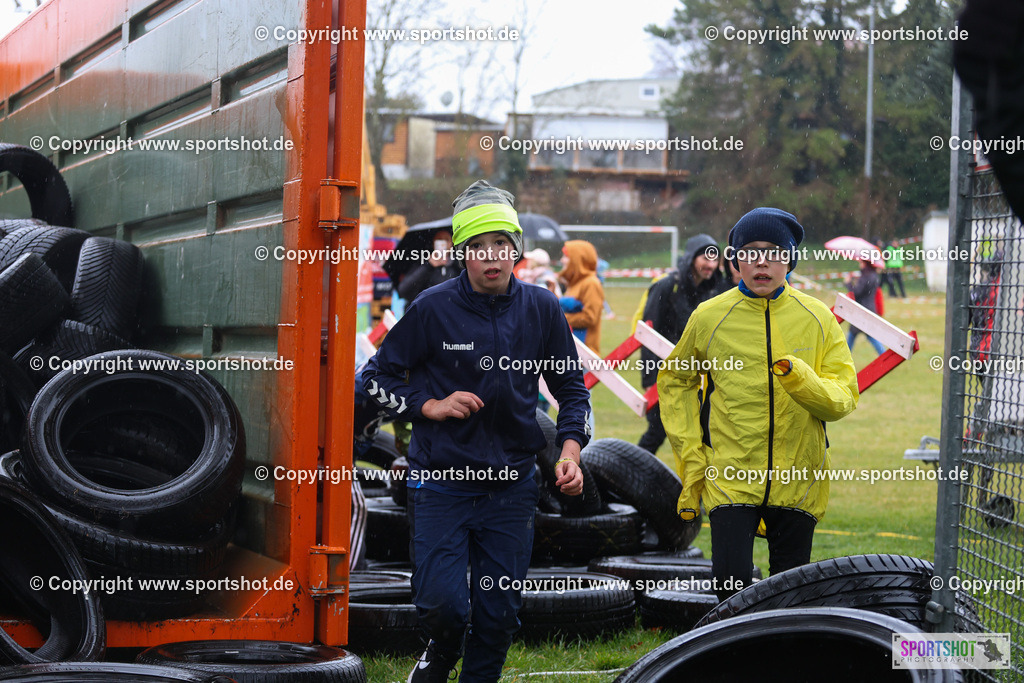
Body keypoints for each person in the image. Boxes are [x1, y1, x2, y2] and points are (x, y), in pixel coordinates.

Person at [362, 180, 591, 683]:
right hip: (440, 483)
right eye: (479, 246)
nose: (492, 256)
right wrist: (431, 405)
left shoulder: (542, 308)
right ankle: (439, 655)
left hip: (510, 488)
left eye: (502, 244)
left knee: (497, 617)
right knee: (445, 608)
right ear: (461, 254)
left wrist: (570, 452)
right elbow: (373, 379)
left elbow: (573, 392)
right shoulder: (431, 308)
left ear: (518, 249)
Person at [658, 207, 859, 602]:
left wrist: (799, 379)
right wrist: (693, 452)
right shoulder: (710, 316)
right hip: (731, 475)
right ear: (734, 260)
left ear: (790, 259)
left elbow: (843, 397)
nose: (761, 261)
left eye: (773, 251)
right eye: (749, 251)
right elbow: (675, 380)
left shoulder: (818, 318)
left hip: (799, 480)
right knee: (730, 590)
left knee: (790, 595)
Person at [637, 234, 727, 455]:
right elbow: (647, 334)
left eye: (715, 260)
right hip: (661, 373)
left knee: (696, 433)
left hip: (693, 377)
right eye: (706, 258)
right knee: (657, 431)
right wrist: (649, 380)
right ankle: (630, 472)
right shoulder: (666, 286)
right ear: (692, 258)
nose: (711, 265)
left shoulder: (710, 292)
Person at [558, 240, 605, 353]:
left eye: (566, 256)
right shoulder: (573, 284)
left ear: (577, 259)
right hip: (571, 350)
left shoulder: (591, 283)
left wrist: (559, 319)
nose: (562, 260)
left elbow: (590, 318)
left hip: (585, 354)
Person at [398, 230, 460, 303]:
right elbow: (404, 290)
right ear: (433, 243)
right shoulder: (421, 263)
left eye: (446, 240)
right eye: (439, 239)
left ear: (451, 244)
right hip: (427, 310)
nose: (443, 243)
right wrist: (429, 265)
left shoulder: (459, 264)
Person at [844, 260, 886, 355]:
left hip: (861, 311)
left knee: (852, 336)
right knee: (870, 336)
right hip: (870, 309)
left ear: (866, 264)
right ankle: (884, 355)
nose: (860, 264)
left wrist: (848, 283)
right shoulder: (873, 276)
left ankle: (844, 357)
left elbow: (857, 293)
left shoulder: (866, 276)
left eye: (862, 262)